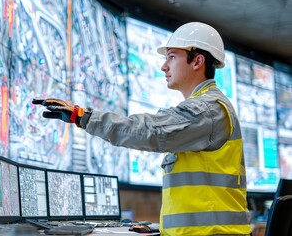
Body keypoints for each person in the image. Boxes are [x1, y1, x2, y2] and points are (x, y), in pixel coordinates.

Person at [33, 22, 252, 236]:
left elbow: (152, 131)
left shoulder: (207, 110)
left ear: (197, 61)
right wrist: (160, 228)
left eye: (172, 57)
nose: (164, 66)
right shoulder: (209, 107)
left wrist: (84, 117)